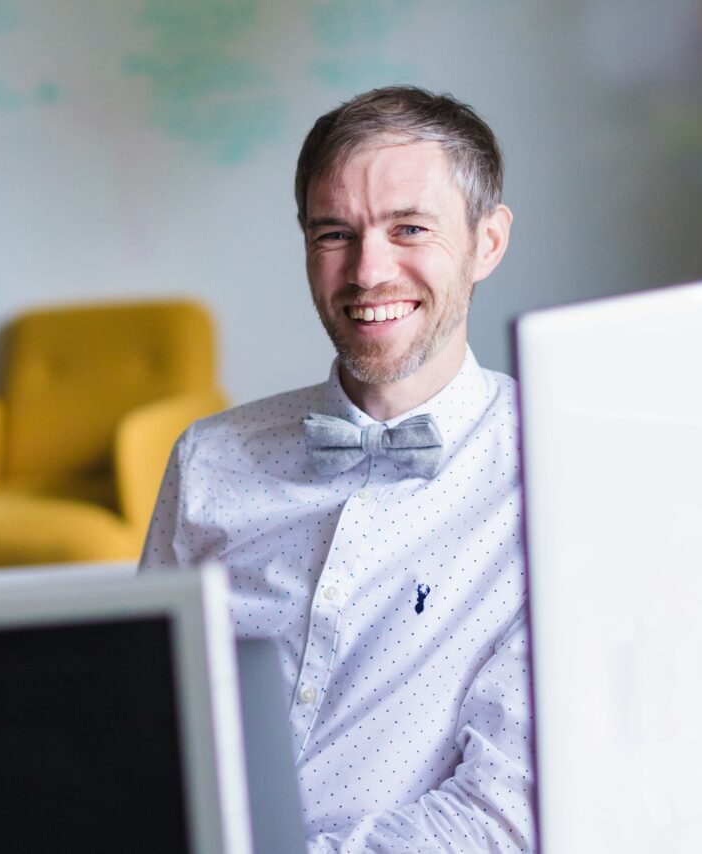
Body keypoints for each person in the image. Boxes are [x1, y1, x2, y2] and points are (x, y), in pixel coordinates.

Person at [140, 85, 532, 853]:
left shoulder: (555, 479)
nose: (366, 271)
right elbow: (141, 721)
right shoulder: (209, 459)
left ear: (488, 241)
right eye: (333, 235)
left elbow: (502, 816)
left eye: (409, 228)